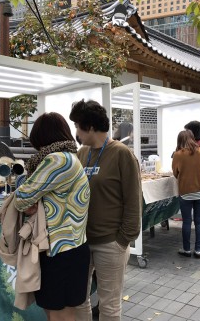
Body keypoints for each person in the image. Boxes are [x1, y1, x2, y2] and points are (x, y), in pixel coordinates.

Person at [69, 100, 142, 321]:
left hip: (110, 242)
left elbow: (133, 200)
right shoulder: (82, 154)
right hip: (82, 241)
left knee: (109, 306)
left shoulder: (121, 154)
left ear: (90, 127)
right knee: (79, 300)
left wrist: (123, 239)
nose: (76, 132)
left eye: (78, 126)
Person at [14, 112, 90, 321]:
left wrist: (31, 197)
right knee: (60, 312)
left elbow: (21, 197)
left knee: (59, 314)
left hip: (61, 251)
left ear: (43, 137)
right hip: (71, 248)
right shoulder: (70, 157)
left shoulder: (57, 160)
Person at [172, 129, 200, 258]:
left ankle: (186, 249)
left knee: (187, 221)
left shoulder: (178, 154)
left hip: (185, 191)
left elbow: (175, 173)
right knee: (199, 221)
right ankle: (198, 250)